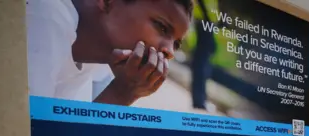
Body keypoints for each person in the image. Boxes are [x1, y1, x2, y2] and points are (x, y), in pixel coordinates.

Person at [26, 0, 193, 106]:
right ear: (107, 2)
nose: (170, 52)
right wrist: (122, 93)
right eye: (161, 27)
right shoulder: (44, 20)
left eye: (176, 44)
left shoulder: (97, 66)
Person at [191, 0, 218, 110]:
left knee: (201, 65)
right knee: (201, 66)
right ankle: (199, 101)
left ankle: (199, 101)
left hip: (206, 21)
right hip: (205, 22)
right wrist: (207, 18)